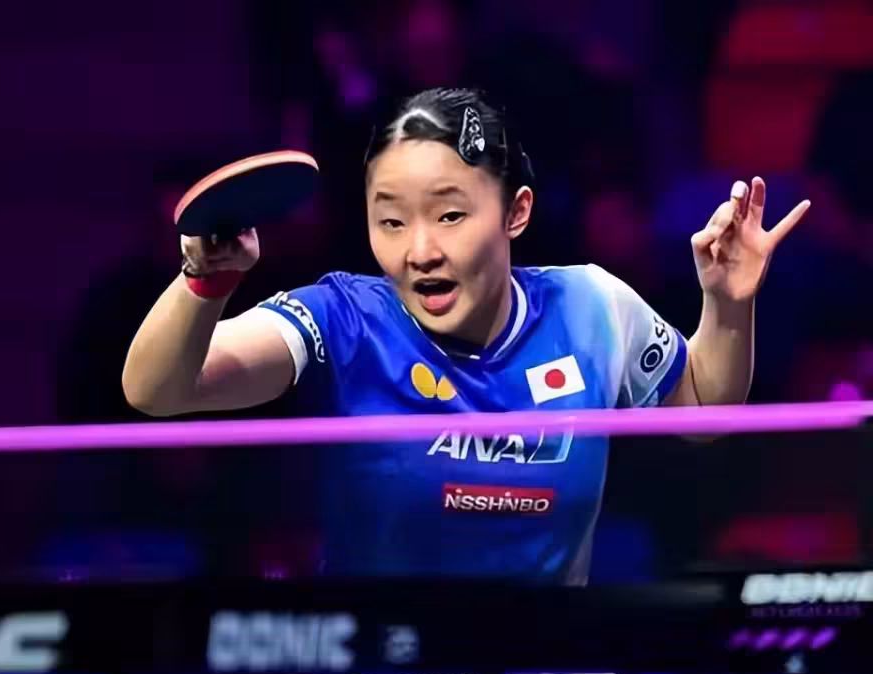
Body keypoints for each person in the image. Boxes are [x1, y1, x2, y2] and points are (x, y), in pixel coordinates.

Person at [121, 87, 810, 585]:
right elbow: (159, 391)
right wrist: (205, 282)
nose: (420, 251)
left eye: (449, 216)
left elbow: (701, 412)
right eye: (391, 222)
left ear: (516, 212)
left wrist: (728, 305)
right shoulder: (342, 318)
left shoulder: (592, 306)